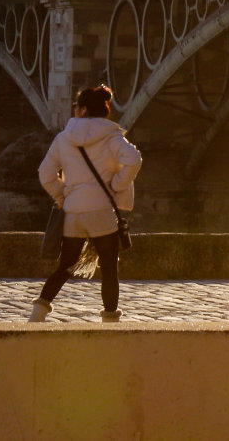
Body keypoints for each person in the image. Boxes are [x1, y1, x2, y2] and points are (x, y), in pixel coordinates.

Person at [32, 84, 142, 324]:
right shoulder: (111, 136)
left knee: (66, 266)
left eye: (76, 106)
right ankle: (110, 322)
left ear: (82, 109)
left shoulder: (63, 138)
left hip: (73, 212)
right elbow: (134, 159)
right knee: (109, 269)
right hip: (101, 211)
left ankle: (37, 314)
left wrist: (63, 196)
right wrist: (117, 184)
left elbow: (45, 174)